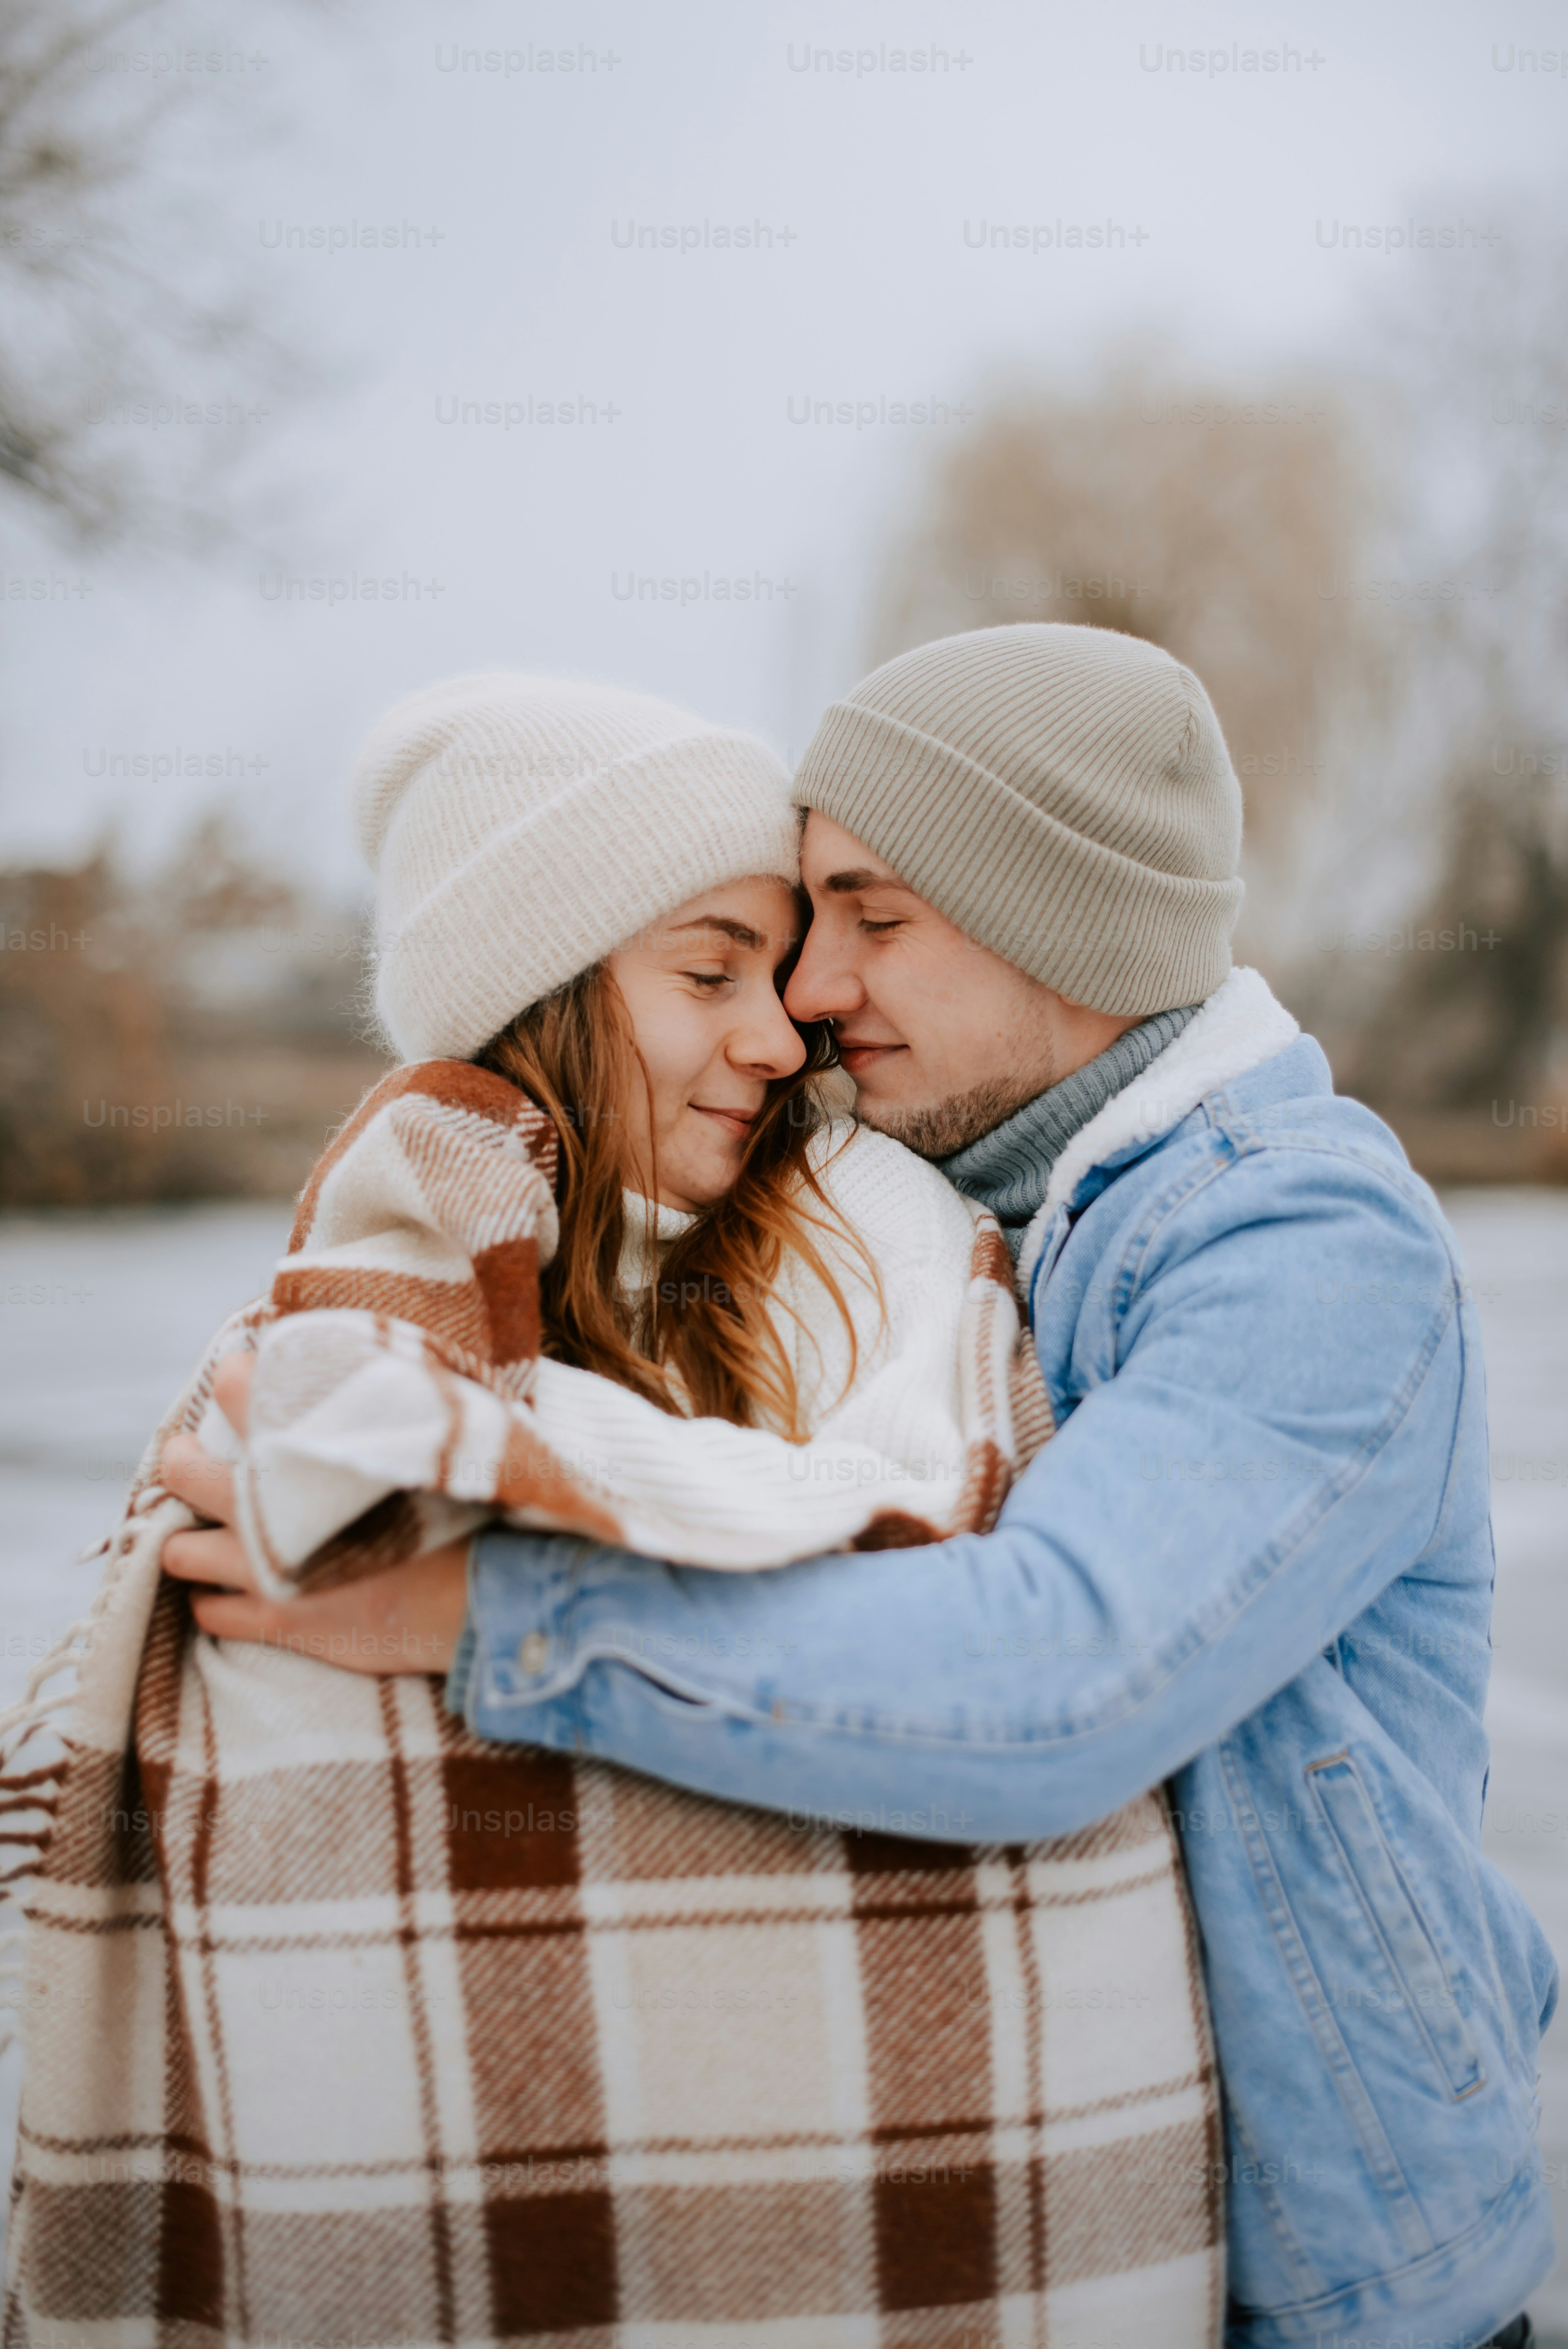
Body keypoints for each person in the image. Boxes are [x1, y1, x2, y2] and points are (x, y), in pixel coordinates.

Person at [189, 625, 1556, 2349]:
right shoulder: (990, 1218)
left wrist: (492, 1608)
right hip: (1094, 2248)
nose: (815, 993)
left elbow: (1055, 1675)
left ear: (1052, 915)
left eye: (872, 917)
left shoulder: (1298, 1244)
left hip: (1339, 2275)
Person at [2, 671, 1222, 2345]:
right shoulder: (392, 1247)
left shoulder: (864, 1221)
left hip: (850, 2214)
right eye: (707, 969)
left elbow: (923, 1540)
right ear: (542, 994)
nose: (780, 1031)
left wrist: (501, 1525)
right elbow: (292, 1518)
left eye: (776, 968)